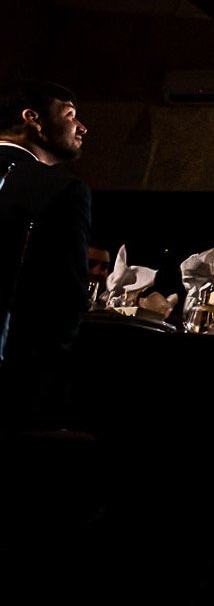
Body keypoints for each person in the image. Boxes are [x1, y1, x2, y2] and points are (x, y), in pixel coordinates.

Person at [0, 80, 90, 425]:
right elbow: (64, 298)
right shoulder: (60, 188)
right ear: (32, 119)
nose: (82, 127)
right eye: (70, 116)